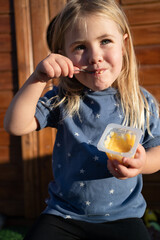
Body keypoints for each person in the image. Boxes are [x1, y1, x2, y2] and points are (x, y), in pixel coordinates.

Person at [3, 0, 160, 239]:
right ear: (63, 56)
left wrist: (142, 163)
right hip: (64, 215)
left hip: (123, 217)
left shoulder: (141, 102)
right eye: (80, 47)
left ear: (124, 44)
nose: (95, 56)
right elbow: (15, 125)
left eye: (105, 41)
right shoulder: (62, 98)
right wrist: (37, 78)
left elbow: (158, 150)